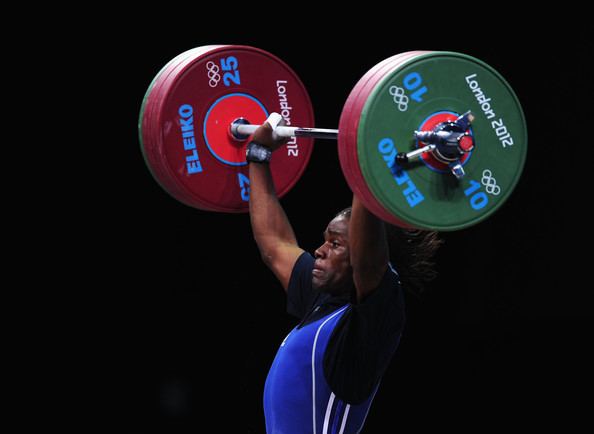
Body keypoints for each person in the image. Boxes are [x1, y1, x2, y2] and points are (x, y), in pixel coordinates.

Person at [247, 113, 442, 433]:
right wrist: (258, 154)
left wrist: (367, 162)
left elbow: (370, 262)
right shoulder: (322, 299)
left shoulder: (370, 323)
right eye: (325, 240)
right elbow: (275, 244)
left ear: (362, 256)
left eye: (335, 244)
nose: (319, 251)